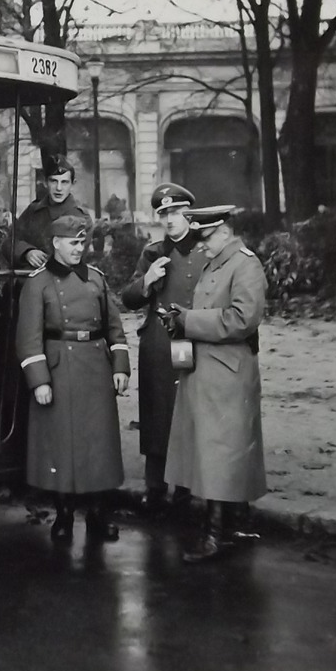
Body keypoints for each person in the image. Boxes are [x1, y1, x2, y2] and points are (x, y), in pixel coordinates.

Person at [160, 205, 269, 563]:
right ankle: (230, 524)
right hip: (206, 370)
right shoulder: (216, 262)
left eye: (205, 238)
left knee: (221, 452)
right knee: (212, 451)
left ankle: (217, 533)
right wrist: (180, 321)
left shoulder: (245, 264)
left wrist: (189, 320)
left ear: (224, 232)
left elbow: (243, 318)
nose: (201, 245)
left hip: (227, 373)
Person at [16, 214, 131, 543]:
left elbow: (114, 327)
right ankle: (63, 515)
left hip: (95, 367)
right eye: (72, 242)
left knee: (97, 444)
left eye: (82, 242)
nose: (79, 248)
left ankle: (97, 514)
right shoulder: (38, 283)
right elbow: (28, 338)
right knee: (62, 445)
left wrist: (120, 366)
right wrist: (39, 380)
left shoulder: (96, 279)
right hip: (59, 368)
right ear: (55, 244)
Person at [120, 183, 206, 518]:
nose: (170, 219)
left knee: (184, 409)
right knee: (156, 413)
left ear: (188, 212)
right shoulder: (154, 253)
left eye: (175, 212)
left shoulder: (203, 249)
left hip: (189, 337)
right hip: (158, 341)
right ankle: (154, 488)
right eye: (163, 213)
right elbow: (127, 298)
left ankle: (183, 489)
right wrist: (147, 282)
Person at [11, 156, 86, 269]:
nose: (59, 188)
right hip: (28, 281)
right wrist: (27, 252)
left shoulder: (80, 217)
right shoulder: (33, 211)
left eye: (64, 182)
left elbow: (77, 257)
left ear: (72, 184)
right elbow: (9, 241)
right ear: (45, 182)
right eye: (53, 181)